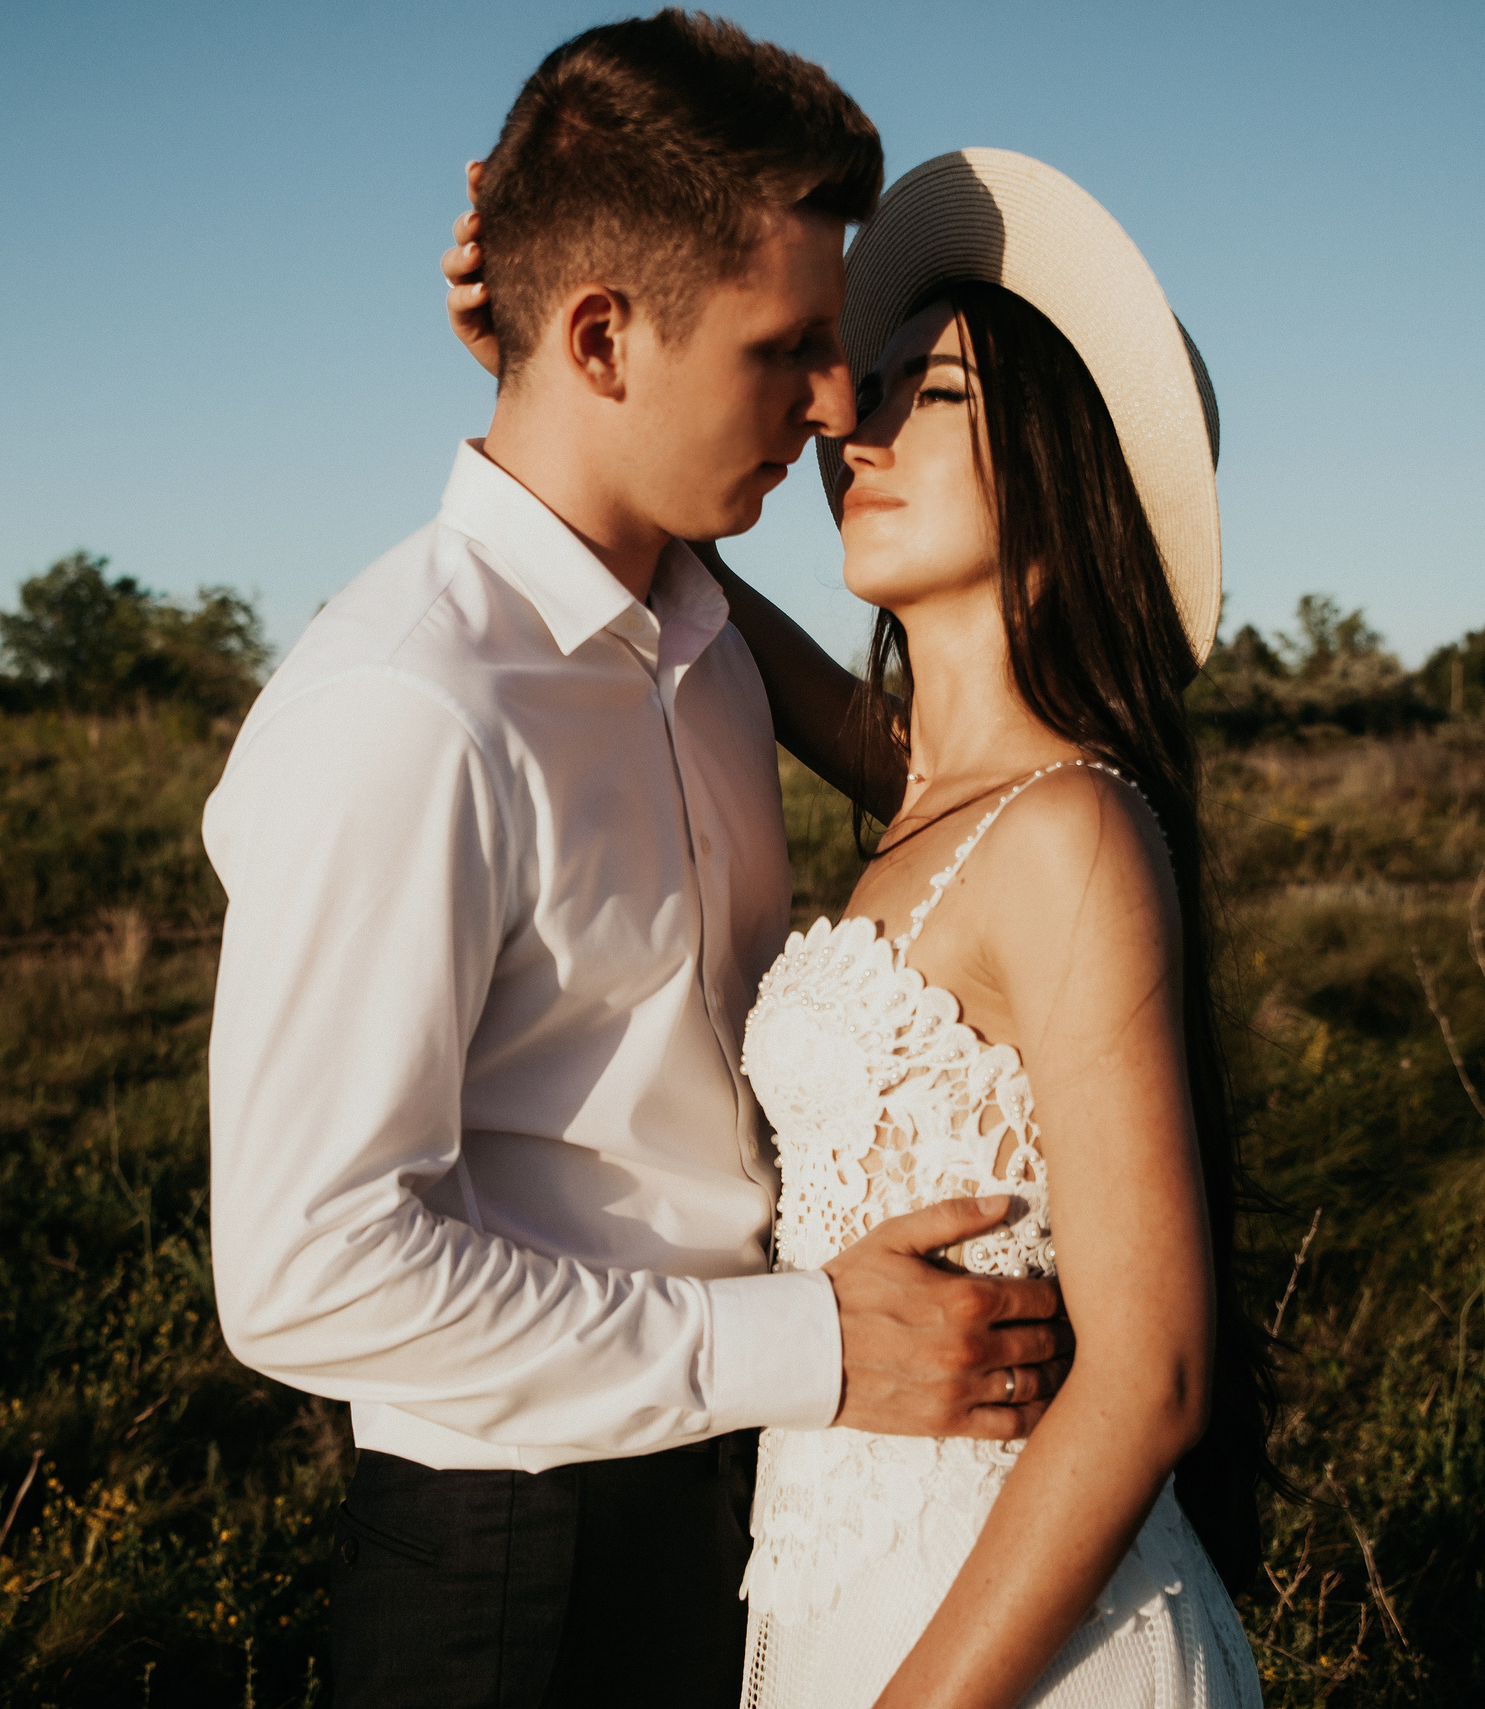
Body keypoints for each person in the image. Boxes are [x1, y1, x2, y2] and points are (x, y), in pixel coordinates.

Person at [205, 21, 1072, 1709]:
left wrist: (551, 372)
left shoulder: (701, 639)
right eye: (786, 348)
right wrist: (810, 1344)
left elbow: (970, 798)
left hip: (755, 1499)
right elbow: (308, 1268)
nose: (837, 404)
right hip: (521, 1574)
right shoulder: (411, 705)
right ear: (606, 334)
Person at [446, 149, 1276, 1707]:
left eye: (929, 397)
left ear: (1063, 461)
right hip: (851, 1589)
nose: (851, 430)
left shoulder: (1069, 831)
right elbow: (678, 561)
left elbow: (1154, 1378)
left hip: (1009, 1640)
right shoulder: (931, 796)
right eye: (858, 389)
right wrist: (553, 349)